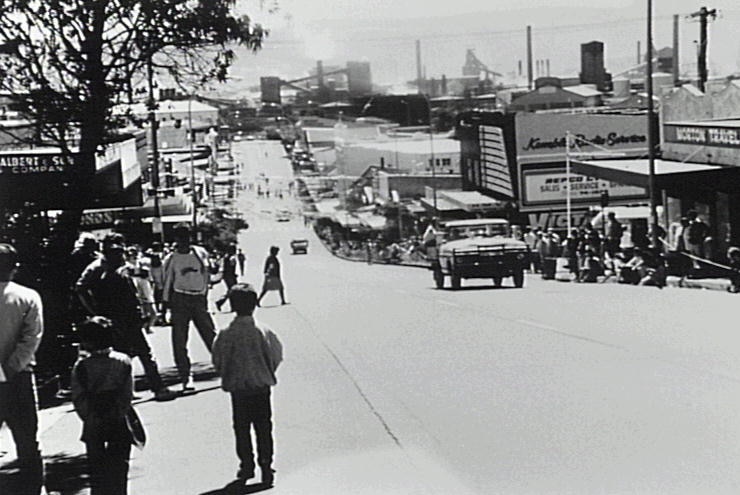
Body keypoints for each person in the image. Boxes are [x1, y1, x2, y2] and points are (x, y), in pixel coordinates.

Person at [77, 234, 175, 401]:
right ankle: (124, 392)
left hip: (130, 316)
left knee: (144, 353)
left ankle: (158, 387)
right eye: (113, 251)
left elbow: (143, 276)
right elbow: (81, 288)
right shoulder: (96, 268)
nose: (117, 255)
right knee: (120, 356)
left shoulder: (124, 265)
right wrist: (94, 310)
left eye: (119, 251)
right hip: (111, 317)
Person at [212, 284, 283, 487]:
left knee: (241, 429)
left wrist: (228, 373)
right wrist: (266, 371)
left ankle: (246, 465)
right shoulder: (264, 331)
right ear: (254, 305)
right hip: (261, 387)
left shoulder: (226, 334)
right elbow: (276, 355)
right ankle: (266, 466)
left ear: (233, 305)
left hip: (238, 390)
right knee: (264, 427)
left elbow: (218, 358)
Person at [0, 243, 45, 495]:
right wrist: (9, 368)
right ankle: (33, 490)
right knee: (27, 440)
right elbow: (31, 338)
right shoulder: (27, 297)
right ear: (14, 268)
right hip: (19, 378)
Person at [71, 317, 133, 495]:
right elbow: (127, 393)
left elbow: (78, 396)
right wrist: (119, 411)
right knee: (120, 465)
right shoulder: (123, 361)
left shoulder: (81, 366)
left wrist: (88, 415)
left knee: (96, 468)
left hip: (93, 418)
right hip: (118, 418)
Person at [162, 223, 217, 392]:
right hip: (180, 299)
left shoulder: (199, 253)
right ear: (176, 239)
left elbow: (207, 273)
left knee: (210, 335)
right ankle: (186, 377)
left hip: (198, 298)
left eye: (186, 237)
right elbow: (167, 282)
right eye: (180, 238)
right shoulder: (171, 258)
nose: (183, 241)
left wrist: (204, 294)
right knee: (180, 341)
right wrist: (165, 305)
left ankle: (225, 367)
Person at [216, 244, 240, 312]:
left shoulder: (226, 256)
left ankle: (231, 306)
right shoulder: (231, 257)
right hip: (230, 276)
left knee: (232, 291)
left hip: (227, 276)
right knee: (233, 291)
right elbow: (231, 266)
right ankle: (221, 302)